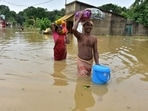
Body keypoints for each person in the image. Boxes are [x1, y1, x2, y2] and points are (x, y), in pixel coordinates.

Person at [72, 10, 99, 77]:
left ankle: (86, 87)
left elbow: (95, 51)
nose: (89, 27)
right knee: (84, 78)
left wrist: (97, 63)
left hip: (90, 62)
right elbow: (73, 29)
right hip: (81, 61)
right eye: (87, 25)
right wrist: (79, 18)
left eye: (90, 25)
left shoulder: (94, 38)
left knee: (88, 77)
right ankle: (84, 87)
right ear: (83, 26)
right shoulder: (80, 36)